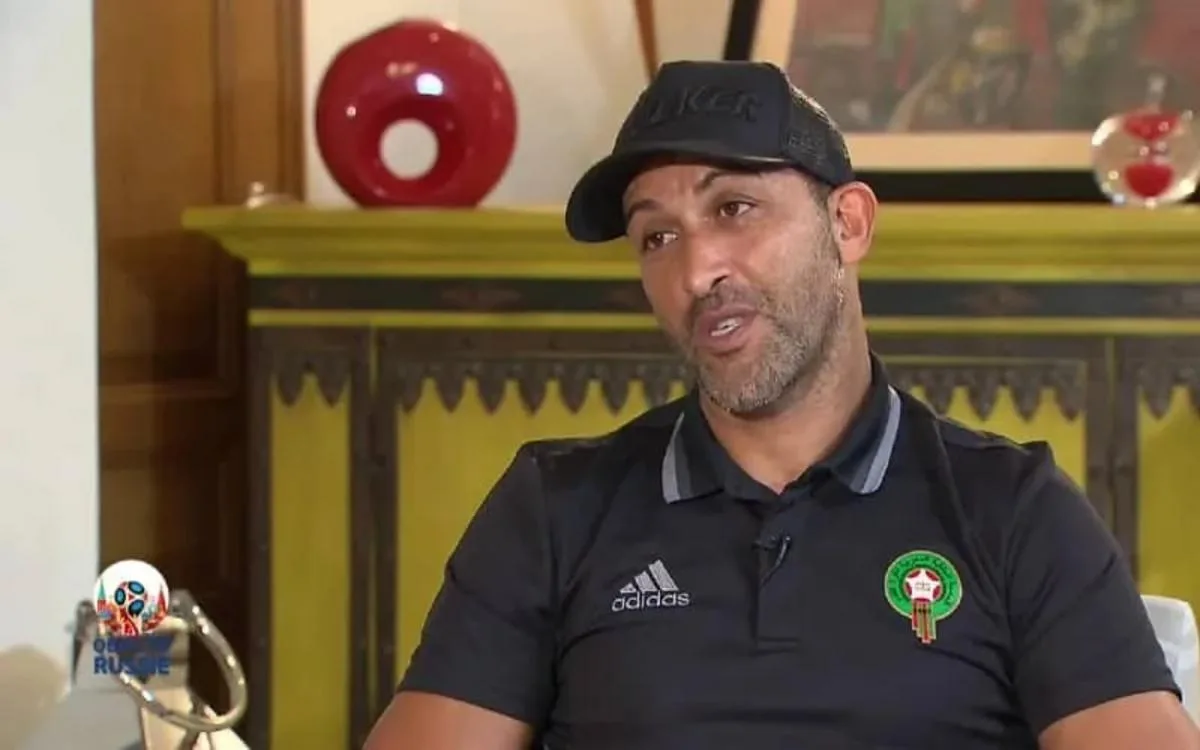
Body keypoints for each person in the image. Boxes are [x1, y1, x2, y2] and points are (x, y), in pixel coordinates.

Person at [364, 60, 1200, 749]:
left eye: (734, 208)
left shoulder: (1012, 509)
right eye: (657, 236)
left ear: (849, 224)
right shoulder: (554, 508)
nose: (696, 271)